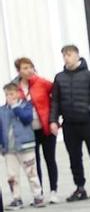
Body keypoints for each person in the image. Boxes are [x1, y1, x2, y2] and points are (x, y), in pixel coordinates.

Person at [52, 45, 90, 201]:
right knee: (74, 158)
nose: (66, 58)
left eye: (69, 54)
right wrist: (53, 120)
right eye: (64, 55)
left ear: (77, 55)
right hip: (69, 124)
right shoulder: (59, 78)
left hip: (88, 122)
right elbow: (55, 101)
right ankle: (80, 187)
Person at [10, 58, 56, 202]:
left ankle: (54, 190)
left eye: (30, 67)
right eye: (25, 68)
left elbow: (56, 97)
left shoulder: (42, 82)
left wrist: (53, 119)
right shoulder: (14, 87)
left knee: (50, 159)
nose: (29, 70)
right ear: (18, 71)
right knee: (33, 162)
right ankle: (39, 192)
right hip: (28, 131)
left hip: (45, 127)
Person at [1, 81, 40, 208]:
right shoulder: (2, 111)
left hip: (25, 146)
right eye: (7, 95)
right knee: (12, 175)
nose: (9, 97)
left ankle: (37, 195)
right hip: (9, 149)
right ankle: (16, 198)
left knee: (31, 172)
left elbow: (27, 118)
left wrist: (16, 107)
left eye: (12, 94)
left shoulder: (26, 106)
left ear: (18, 94)